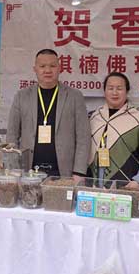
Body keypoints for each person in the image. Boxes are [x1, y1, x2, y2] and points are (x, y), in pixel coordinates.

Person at [6, 49, 90, 179]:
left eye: (52, 66)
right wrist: (13, 168)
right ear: (35, 69)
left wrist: (79, 172)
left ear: (60, 68)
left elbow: (83, 137)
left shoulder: (74, 96)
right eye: (42, 66)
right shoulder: (22, 96)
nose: (47, 70)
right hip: (28, 171)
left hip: (64, 172)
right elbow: (12, 134)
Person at [87, 72, 139, 187]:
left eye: (119, 88)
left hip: (126, 185)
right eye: (110, 88)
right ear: (104, 91)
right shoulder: (95, 116)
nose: (114, 92)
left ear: (127, 91)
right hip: (93, 183)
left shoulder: (138, 119)